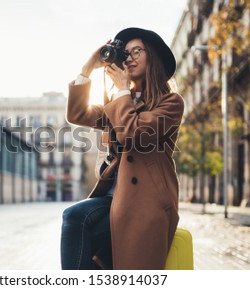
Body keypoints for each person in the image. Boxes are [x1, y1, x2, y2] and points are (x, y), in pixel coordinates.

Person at [61, 27, 185, 270]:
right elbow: (77, 114)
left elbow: (134, 134)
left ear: (153, 57)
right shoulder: (118, 103)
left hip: (145, 202)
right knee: (74, 217)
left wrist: (121, 90)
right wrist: (88, 67)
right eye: (125, 53)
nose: (129, 57)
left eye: (137, 51)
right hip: (114, 198)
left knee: (94, 245)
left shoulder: (170, 103)